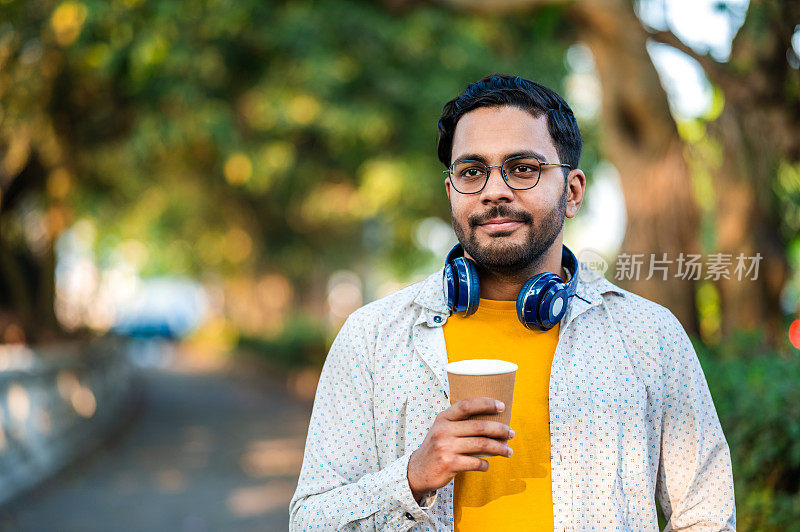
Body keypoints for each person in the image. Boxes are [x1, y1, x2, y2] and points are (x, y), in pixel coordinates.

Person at [289, 74, 736, 531]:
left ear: (573, 191)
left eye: (523, 168)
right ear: (451, 193)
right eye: (471, 172)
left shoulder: (648, 335)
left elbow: (708, 514)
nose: (494, 190)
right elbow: (309, 520)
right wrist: (413, 475)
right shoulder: (373, 338)